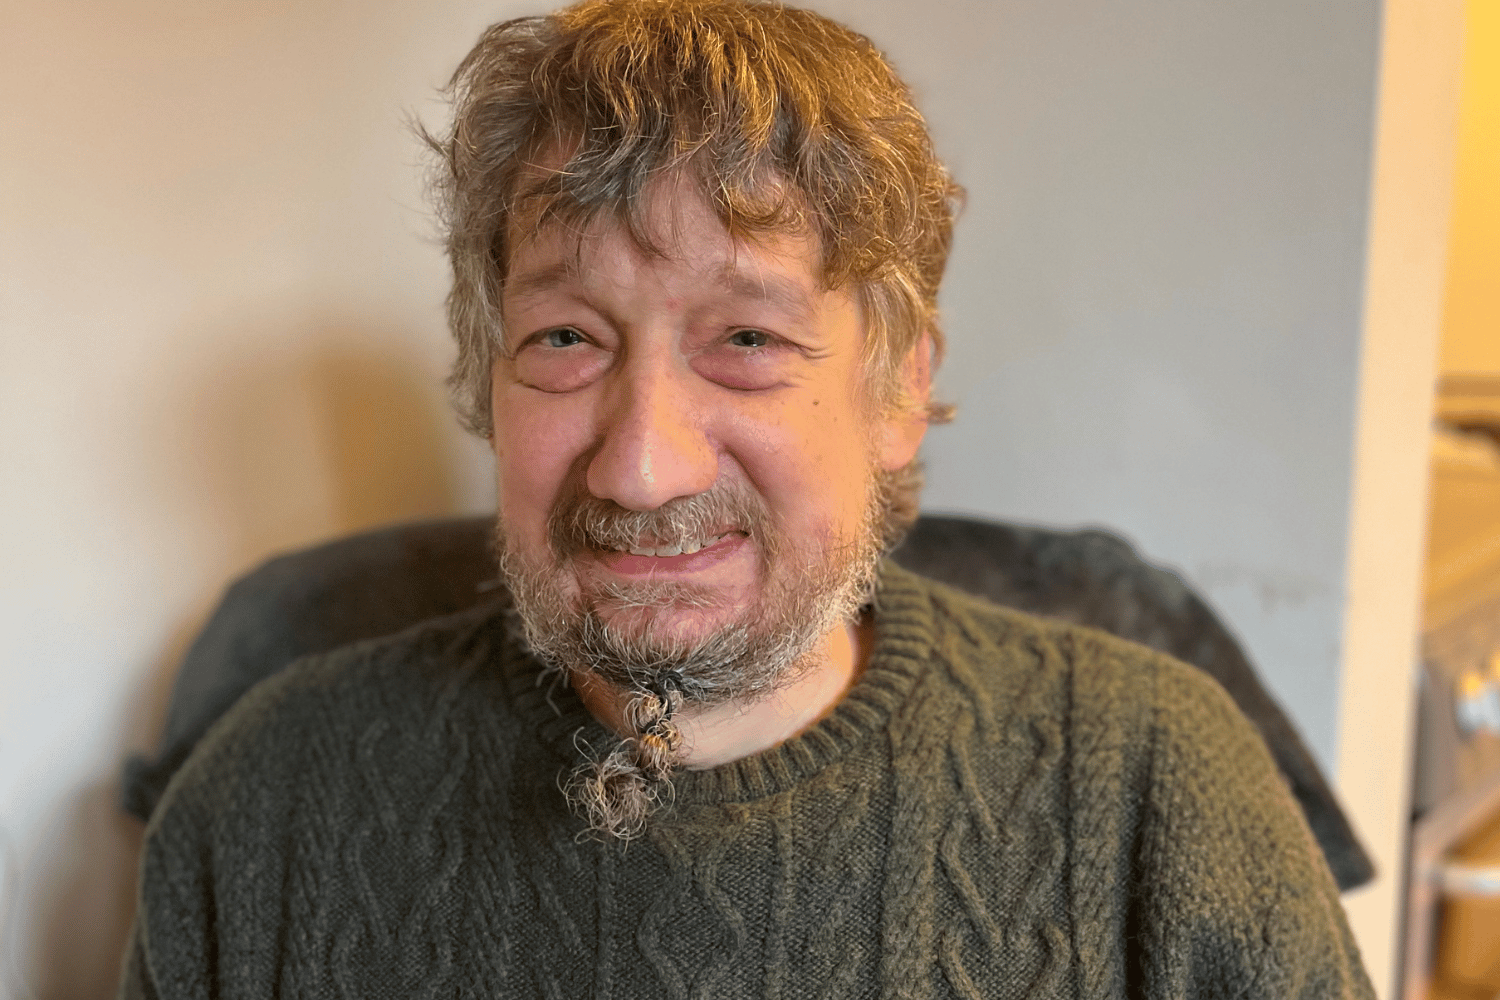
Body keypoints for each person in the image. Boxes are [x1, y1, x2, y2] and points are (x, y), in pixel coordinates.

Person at [120, 1, 1375, 996]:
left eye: (748, 339)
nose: (640, 466)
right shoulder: (264, 805)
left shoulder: (1155, 784)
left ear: (895, 388)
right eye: (565, 339)